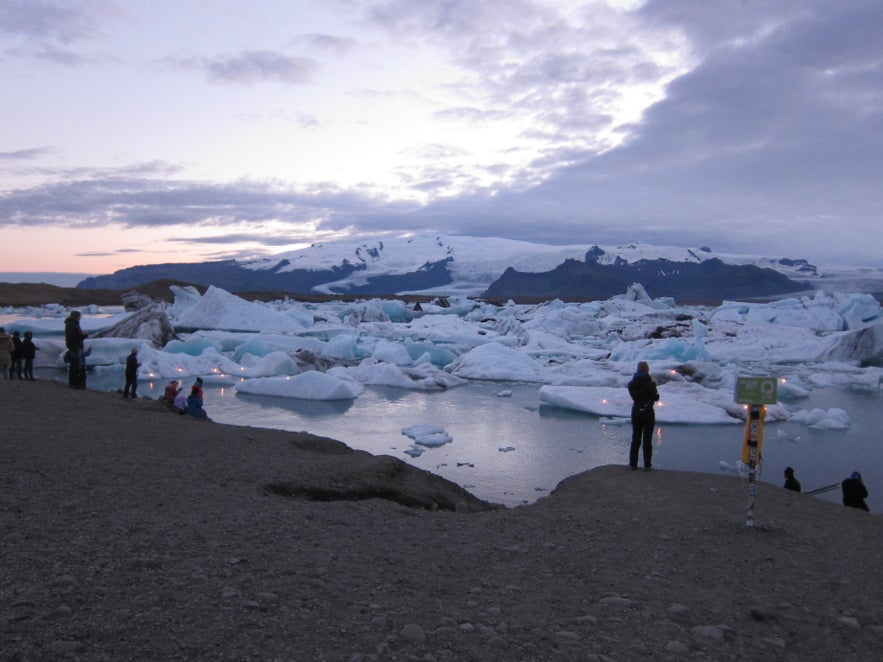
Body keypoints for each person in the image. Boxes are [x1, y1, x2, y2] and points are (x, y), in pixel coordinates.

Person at [628, 361, 659, 471]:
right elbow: (655, 397)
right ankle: (647, 465)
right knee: (647, 439)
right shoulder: (650, 384)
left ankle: (633, 464)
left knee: (635, 438)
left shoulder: (631, 384)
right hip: (647, 412)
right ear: (647, 370)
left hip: (635, 411)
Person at [64, 311, 89, 389]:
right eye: (79, 316)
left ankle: (75, 383)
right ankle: (75, 383)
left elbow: (72, 335)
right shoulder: (71, 324)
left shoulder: (73, 324)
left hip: (76, 346)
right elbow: (71, 335)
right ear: (75, 317)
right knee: (76, 365)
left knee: (75, 365)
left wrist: (81, 335)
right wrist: (83, 335)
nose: (80, 318)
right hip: (75, 347)